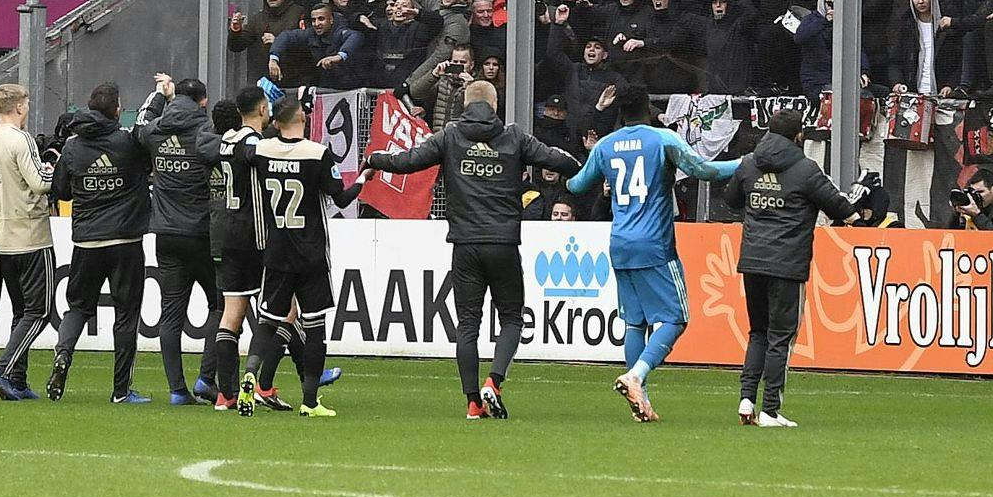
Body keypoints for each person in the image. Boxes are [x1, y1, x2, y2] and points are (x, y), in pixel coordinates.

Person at [363, 80, 582, 419]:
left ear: (465, 104)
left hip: (464, 244)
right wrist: (588, 167)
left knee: (468, 324)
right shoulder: (513, 137)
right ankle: (493, 382)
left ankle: (472, 403)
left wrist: (375, 158)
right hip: (503, 243)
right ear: (494, 105)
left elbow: (409, 161)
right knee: (511, 317)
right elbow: (560, 161)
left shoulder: (450, 135)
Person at [567, 85, 739, 422]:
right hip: (655, 245)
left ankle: (639, 399)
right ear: (647, 109)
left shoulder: (606, 145)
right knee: (675, 318)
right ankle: (636, 376)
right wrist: (747, 162)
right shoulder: (662, 139)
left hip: (620, 243)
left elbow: (576, 185)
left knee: (636, 322)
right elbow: (705, 170)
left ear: (619, 112)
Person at [723, 104, 864, 427]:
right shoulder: (806, 169)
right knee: (780, 337)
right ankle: (770, 409)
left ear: (769, 132)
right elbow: (840, 207)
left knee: (757, 332)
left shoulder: (748, 164)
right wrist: (857, 216)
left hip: (753, 261)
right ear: (799, 135)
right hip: (787, 264)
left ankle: (746, 399)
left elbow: (731, 200)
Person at [241, 94, 364, 418]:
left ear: (275, 122)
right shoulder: (317, 153)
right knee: (315, 325)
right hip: (310, 252)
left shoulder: (262, 150)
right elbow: (340, 197)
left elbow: (245, 154)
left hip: (277, 250)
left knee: (268, 321)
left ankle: (251, 374)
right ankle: (310, 401)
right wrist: (364, 178)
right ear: (304, 120)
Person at [48, 82, 154, 404]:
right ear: (117, 110)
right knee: (126, 314)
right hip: (125, 240)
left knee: (78, 307)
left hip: (87, 241)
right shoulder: (127, 143)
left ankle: (63, 354)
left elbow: (61, 191)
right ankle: (121, 391)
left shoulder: (72, 147)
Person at [139, 73, 222, 403]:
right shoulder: (206, 132)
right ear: (203, 102)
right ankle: (205, 378)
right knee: (220, 304)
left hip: (165, 233)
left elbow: (140, 122)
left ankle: (176, 390)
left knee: (171, 313)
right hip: (201, 234)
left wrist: (160, 93)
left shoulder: (156, 131)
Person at [0, 83, 56, 400]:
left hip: (2, 235)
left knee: (21, 310)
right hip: (31, 234)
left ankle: (18, 381)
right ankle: (4, 369)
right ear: (20, 107)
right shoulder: (20, 140)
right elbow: (40, 183)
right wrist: (56, 166)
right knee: (40, 311)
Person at [200, 86, 273, 410]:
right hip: (254, 235)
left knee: (231, 314)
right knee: (280, 313)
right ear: (260, 110)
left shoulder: (225, 140)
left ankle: (225, 394)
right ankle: (259, 382)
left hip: (225, 232)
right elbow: (260, 162)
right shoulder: (253, 143)